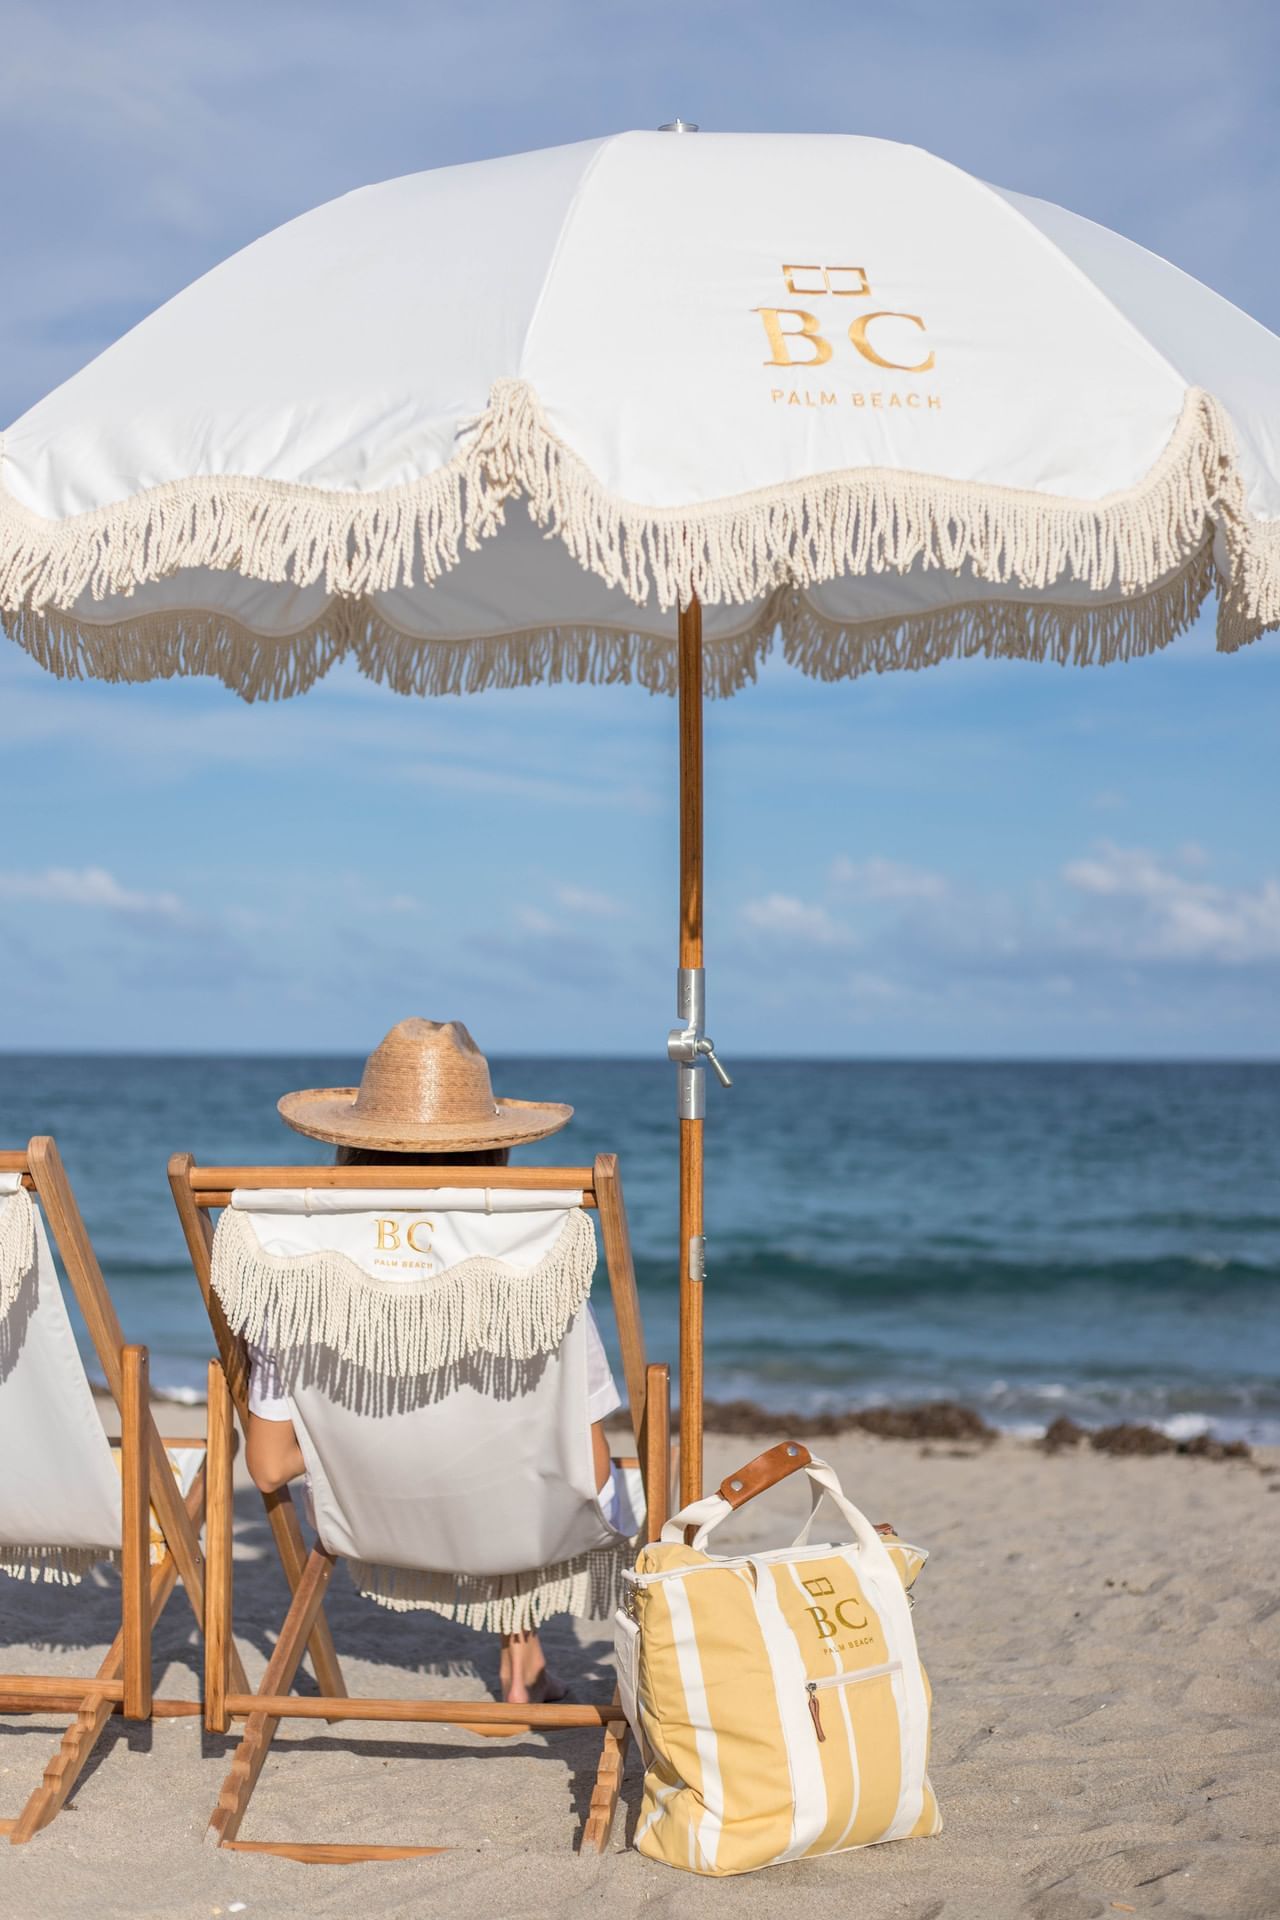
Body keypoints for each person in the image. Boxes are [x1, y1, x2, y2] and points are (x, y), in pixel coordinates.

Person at [242, 1016, 622, 1707]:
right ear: (493, 1154)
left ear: (352, 1148)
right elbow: (589, 1472)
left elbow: (268, 1465)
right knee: (526, 1445)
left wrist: (359, 1441)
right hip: (515, 1517)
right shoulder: (538, 1267)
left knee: (503, 1443)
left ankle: (522, 1664)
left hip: (361, 1514)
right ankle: (525, 1668)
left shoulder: (289, 1271)